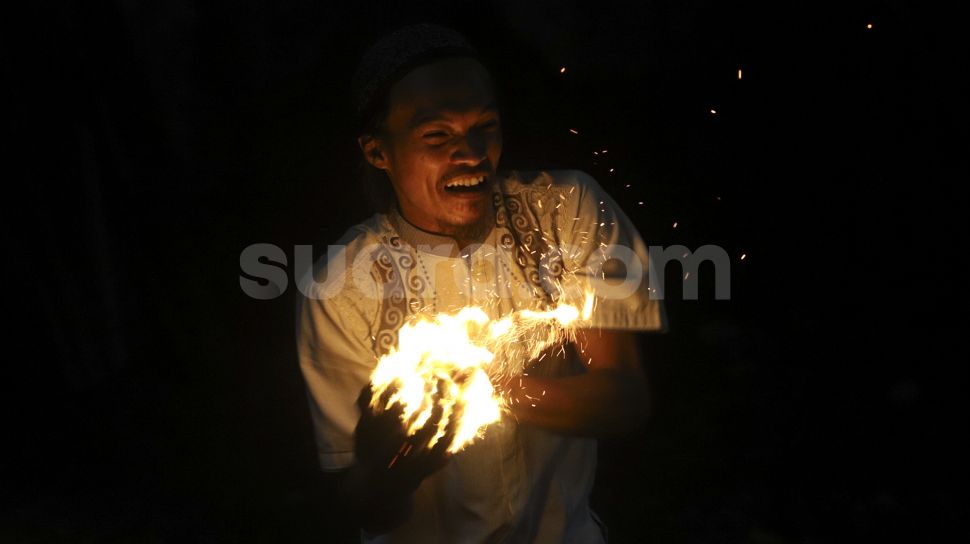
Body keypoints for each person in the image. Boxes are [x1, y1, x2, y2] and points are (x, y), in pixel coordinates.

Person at [296, 24, 666, 543]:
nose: (470, 153)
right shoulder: (339, 287)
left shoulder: (566, 212)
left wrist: (487, 390)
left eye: (484, 127)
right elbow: (357, 502)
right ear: (378, 151)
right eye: (437, 135)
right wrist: (393, 464)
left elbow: (626, 399)